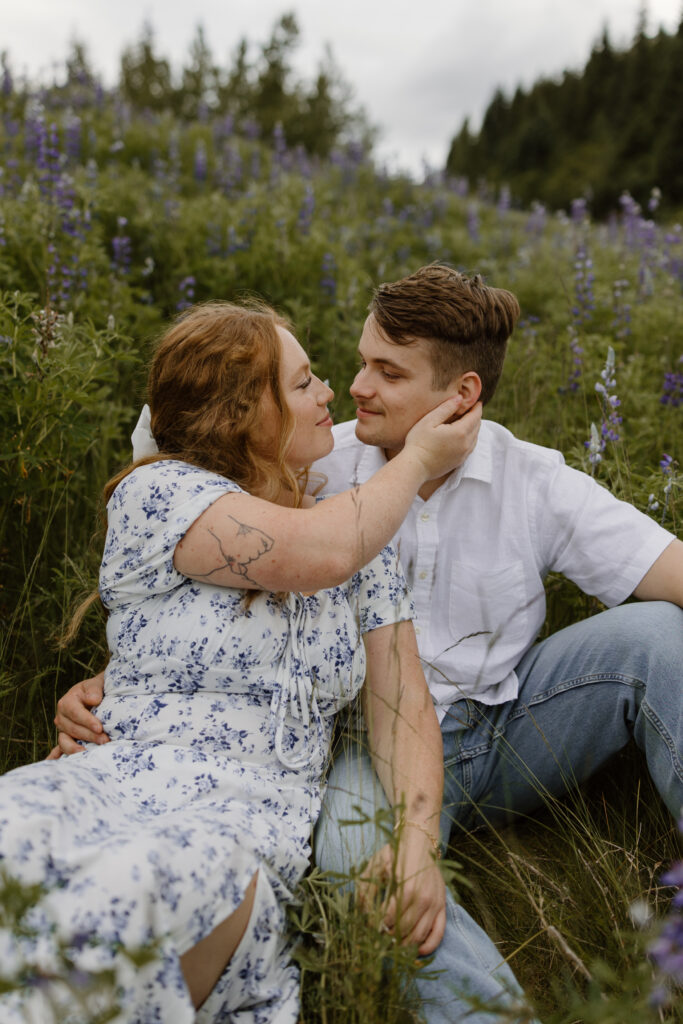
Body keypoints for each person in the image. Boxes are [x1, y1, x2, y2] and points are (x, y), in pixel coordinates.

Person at [55, 266, 683, 1023]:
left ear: (461, 395)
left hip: (513, 724)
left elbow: (669, 569)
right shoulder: (312, 460)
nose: (355, 387)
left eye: (386, 372)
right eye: (357, 361)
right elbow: (201, 564)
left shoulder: (533, 479)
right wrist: (117, 679)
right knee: (369, 872)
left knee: (658, 634)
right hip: (370, 742)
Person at [0, 299, 483, 1023]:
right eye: (302, 383)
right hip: (107, 779)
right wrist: (416, 461)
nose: (330, 395)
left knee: (134, 892)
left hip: (239, 822)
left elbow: (403, 707)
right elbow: (311, 555)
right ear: (240, 413)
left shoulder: (361, 539)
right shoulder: (159, 493)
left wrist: (416, 844)